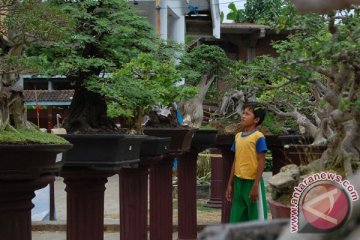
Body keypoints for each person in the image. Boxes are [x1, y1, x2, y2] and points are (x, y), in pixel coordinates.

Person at [225, 102, 268, 223]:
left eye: (247, 114)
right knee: (236, 219)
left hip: (252, 183)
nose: (243, 116)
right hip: (238, 182)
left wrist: (255, 186)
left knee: (255, 220)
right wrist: (230, 184)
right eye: (243, 113)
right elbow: (235, 161)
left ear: (256, 119)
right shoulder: (238, 136)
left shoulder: (259, 137)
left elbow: (261, 162)